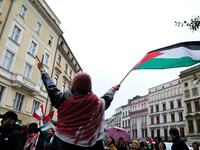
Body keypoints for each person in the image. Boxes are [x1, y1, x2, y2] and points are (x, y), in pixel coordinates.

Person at [36, 55, 120, 150]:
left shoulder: (64, 100)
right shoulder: (97, 104)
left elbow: (51, 88)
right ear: (89, 88)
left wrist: (42, 69)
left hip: (61, 145)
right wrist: (113, 89)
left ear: (73, 86)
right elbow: (107, 98)